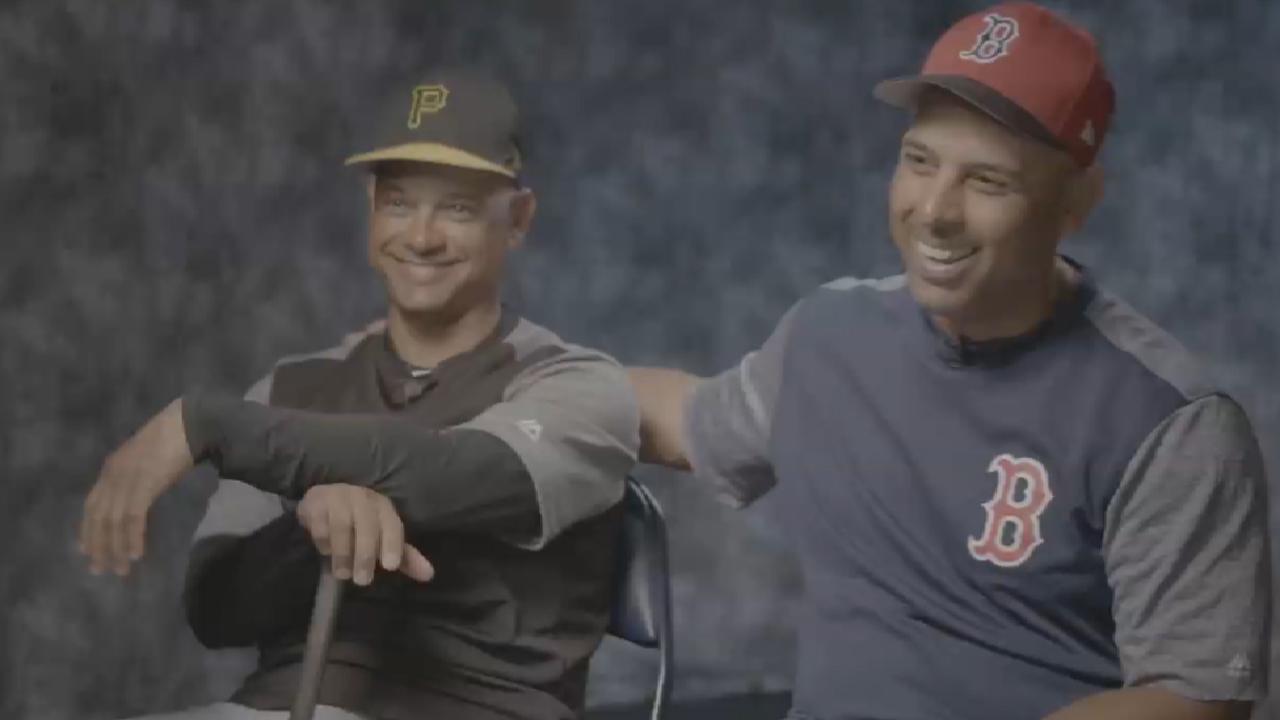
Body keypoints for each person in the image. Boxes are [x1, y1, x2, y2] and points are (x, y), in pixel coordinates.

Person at [630, 3, 1270, 719]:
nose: (935, 210)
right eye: (919, 161)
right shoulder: (830, 337)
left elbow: (1195, 699)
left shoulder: (1166, 421)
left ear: (1075, 202)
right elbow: (684, 419)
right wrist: (509, 381)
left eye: (987, 181)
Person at [79, 67, 639, 720]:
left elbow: (452, 473)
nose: (422, 236)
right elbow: (216, 610)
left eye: (457, 208)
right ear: (372, 208)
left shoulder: (578, 385)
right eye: (399, 202)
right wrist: (313, 523)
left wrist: (209, 425)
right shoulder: (291, 386)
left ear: (518, 218)